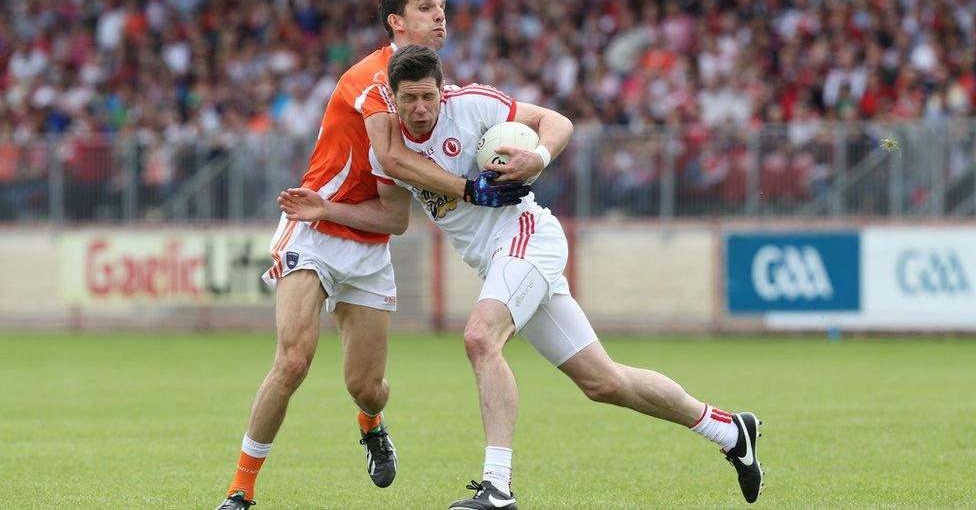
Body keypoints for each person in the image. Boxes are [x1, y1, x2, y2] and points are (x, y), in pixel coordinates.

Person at [278, 45, 765, 509]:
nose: (422, 108)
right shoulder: (390, 150)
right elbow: (393, 221)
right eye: (410, 99)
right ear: (395, 98)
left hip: (528, 236)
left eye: (429, 96)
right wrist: (328, 208)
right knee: (604, 382)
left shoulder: (472, 105)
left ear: (442, 92)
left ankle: (497, 487)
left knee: (479, 337)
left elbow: (556, 121)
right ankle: (728, 430)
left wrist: (541, 156)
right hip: (500, 262)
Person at [216, 0, 531, 510]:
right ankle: (239, 493)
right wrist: (473, 190)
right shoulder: (370, 79)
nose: (440, 17)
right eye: (426, 7)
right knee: (293, 361)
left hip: (364, 239)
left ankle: (372, 422)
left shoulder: (426, 92)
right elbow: (392, 159)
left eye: (443, 8)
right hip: (312, 227)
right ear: (396, 21)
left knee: (367, 386)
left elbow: (395, 219)